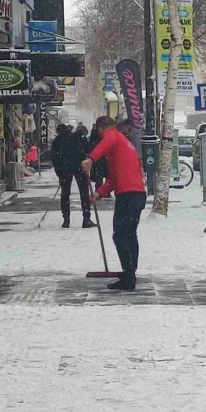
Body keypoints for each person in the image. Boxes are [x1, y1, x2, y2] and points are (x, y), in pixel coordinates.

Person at [82, 116, 146, 291]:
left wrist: (90, 158)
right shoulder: (125, 145)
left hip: (127, 195)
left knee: (120, 235)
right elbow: (113, 178)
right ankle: (130, 272)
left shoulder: (113, 136)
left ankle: (129, 277)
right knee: (130, 234)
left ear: (101, 128)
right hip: (138, 194)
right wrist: (99, 193)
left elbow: (104, 144)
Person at [51, 124, 97, 229]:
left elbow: (54, 158)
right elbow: (88, 151)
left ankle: (66, 219)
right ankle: (86, 218)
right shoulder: (78, 138)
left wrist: (60, 173)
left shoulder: (58, 140)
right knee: (84, 193)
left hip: (65, 168)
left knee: (65, 194)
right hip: (79, 167)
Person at [88, 124, 110, 196]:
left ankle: (99, 191)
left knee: (99, 177)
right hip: (103, 159)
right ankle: (104, 192)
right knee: (106, 176)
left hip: (98, 160)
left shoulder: (94, 138)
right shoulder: (103, 138)